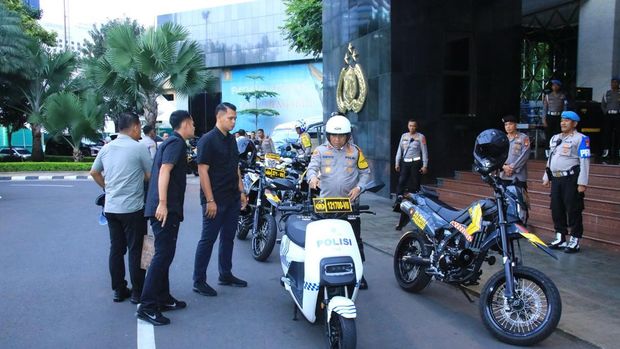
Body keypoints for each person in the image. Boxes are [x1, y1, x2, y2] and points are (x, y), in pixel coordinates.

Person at [137, 110, 195, 326]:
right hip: (164, 209)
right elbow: (164, 171)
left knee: (164, 255)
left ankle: (163, 298)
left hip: (165, 208)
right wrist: (163, 203)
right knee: (162, 256)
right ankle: (148, 306)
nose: (194, 128)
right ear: (186, 123)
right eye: (193, 124)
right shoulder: (176, 143)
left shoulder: (171, 142)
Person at [90, 112, 152, 304]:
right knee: (137, 249)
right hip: (133, 208)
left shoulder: (107, 148)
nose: (140, 131)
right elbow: (151, 175)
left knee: (116, 249)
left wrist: (107, 187)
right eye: (139, 127)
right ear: (134, 127)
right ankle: (138, 292)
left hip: (111, 207)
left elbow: (94, 172)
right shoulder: (139, 147)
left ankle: (118, 290)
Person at [307, 113, 371, 289]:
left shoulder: (356, 151)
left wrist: (359, 188)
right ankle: (320, 272)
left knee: (354, 240)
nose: (337, 139)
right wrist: (312, 178)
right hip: (325, 205)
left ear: (348, 135)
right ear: (328, 135)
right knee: (325, 240)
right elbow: (311, 169)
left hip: (349, 205)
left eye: (341, 135)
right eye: (334, 135)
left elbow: (365, 173)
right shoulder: (320, 151)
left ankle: (359, 274)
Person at [193, 102, 249, 297]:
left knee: (228, 238)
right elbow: (203, 171)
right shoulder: (207, 140)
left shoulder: (232, 139)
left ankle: (225, 273)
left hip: (232, 197)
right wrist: (209, 200)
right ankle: (198, 280)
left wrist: (241, 191)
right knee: (208, 240)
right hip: (214, 200)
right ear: (219, 117)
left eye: (235, 118)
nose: (234, 121)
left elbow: (236, 167)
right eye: (230, 118)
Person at [543, 111, 590, 254]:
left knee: (573, 209)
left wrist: (583, 182)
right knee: (556, 208)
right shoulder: (555, 138)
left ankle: (574, 239)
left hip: (571, 179)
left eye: (567, 120)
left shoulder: (581, 139)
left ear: (575, 123)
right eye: (562, 120)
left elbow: (584, 161)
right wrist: (547, 175)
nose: (563, 123)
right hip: (556, 178)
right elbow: (551, 158)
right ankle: (560, 236)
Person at [500, 115, 530, 188]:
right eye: (506, 124)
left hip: (518, 177)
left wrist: (511, 168)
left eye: (510, 124)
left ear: (516, 125)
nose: (508, 127)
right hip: (503, 176)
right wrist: (504, 167)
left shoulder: (523, 138)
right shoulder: (502, 139)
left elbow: (524, 155)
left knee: (519, 198)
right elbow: (497, 156)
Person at [542, 80, 568, 155]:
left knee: (558, 133)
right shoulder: (548, 96)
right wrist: (544, 119)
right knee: (548, 134)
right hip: (550, 116)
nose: (554, 87)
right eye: (553, 85)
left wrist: (564, 118)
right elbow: (544, 109)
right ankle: (547, 150)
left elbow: (565, 108)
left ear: (559, 87)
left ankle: (557, 149)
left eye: (556, 85)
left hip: (559, 116)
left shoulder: (562, 96)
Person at [601, 77, 620, 158]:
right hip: (608, 115)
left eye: (616, 82)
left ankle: (617, 152)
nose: (614, 84)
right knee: (607, 133)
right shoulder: (607, 93)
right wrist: (605, 111)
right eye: (613, 82)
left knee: (618, 134)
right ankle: (607, 151)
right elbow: (603, 104)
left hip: (618, 115)